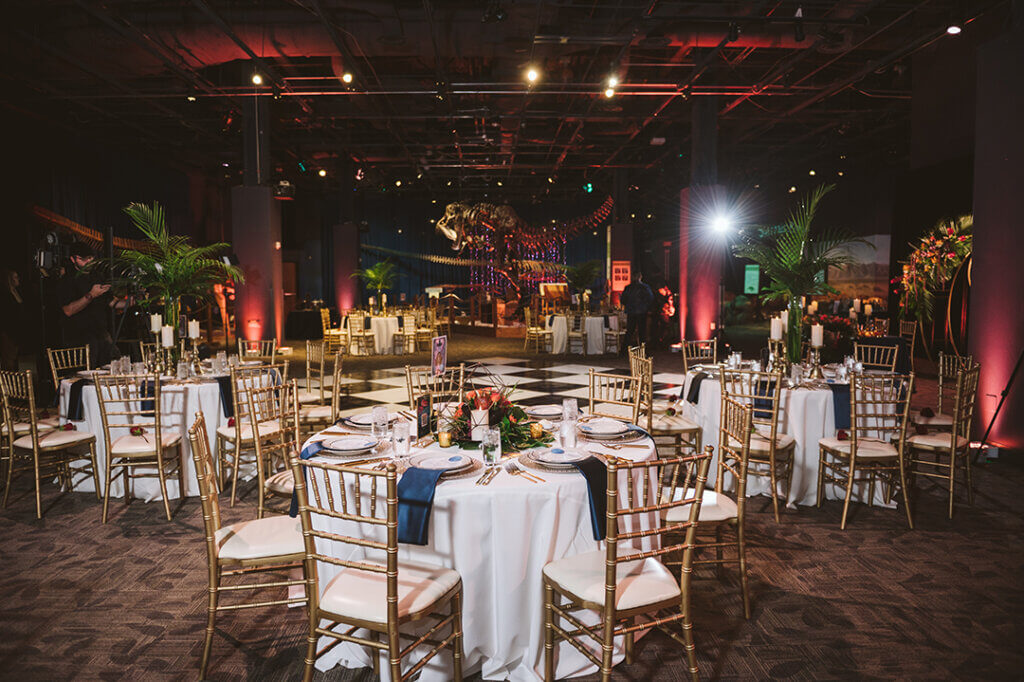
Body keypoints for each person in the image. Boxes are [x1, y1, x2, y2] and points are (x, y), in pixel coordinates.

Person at [56, 242, 121, 366]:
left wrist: (132, 301)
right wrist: (91, 295)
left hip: (101, 336)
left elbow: (112, 302)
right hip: (79, 339)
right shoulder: (67, 280)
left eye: (90, 258)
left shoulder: (97, 276)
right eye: (84, 259)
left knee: (114, 365)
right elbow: (68, 310)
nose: (88, 262)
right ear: (73, 259)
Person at [1, 269, 27, 370]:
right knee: (8, 359)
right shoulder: (4, 294)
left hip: (17, 330)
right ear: (10, 279)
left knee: (15, 358)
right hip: (8, 331)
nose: (18, 279)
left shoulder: (17, 292)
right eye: (15, 277)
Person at [620, 271, 653, 349]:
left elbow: (623, 299)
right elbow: (650, 298)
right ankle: (643, 349)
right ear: (640, 277)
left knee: (630, 331)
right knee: (642, 332)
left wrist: (628, 305)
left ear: (632, 277)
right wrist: (646, 307)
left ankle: (625, 349)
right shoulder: (645, 287)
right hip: (642, 311)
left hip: (631, 311)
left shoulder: (628, 287)